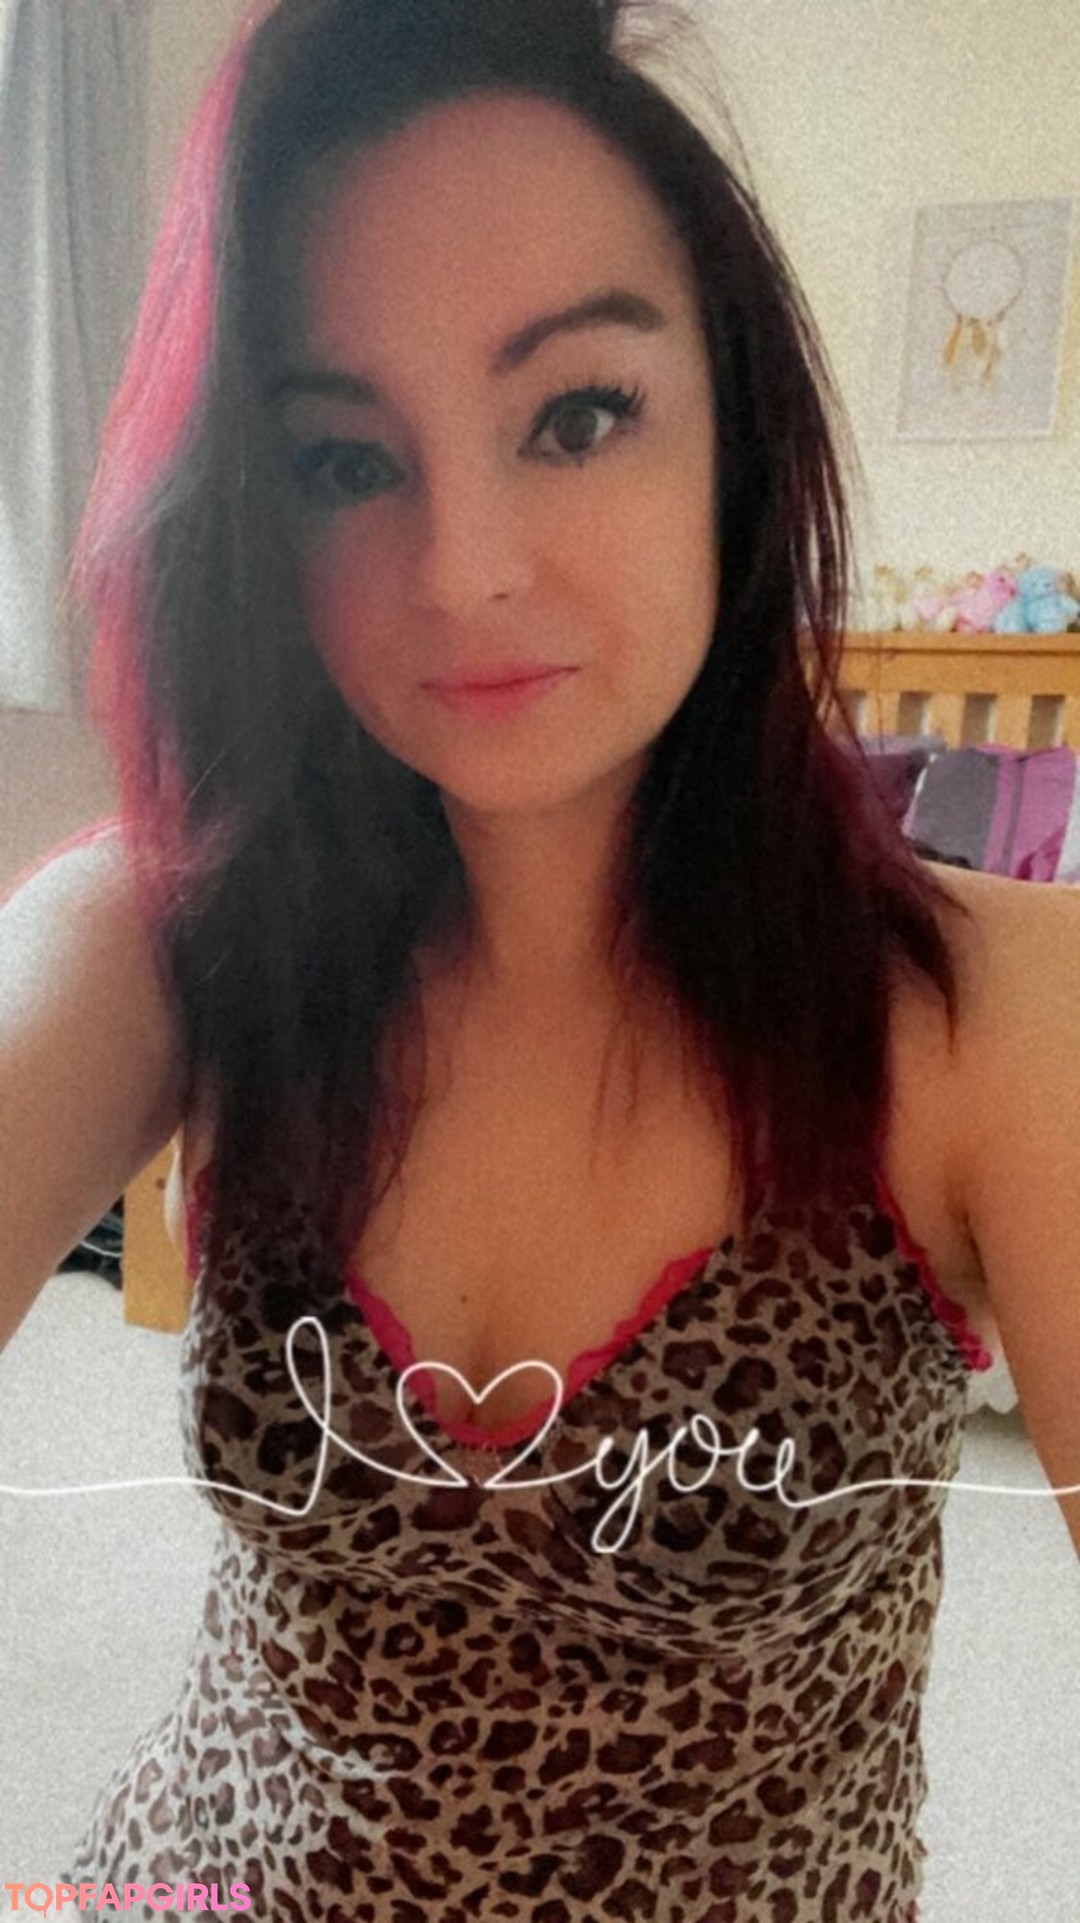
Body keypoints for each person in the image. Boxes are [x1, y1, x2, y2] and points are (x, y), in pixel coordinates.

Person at [1, 0, 1077, 1916]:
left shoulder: (983, 1012)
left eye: (578, 415)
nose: (465, 569)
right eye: (347, 461)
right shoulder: (186, 938)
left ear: (734, 434)